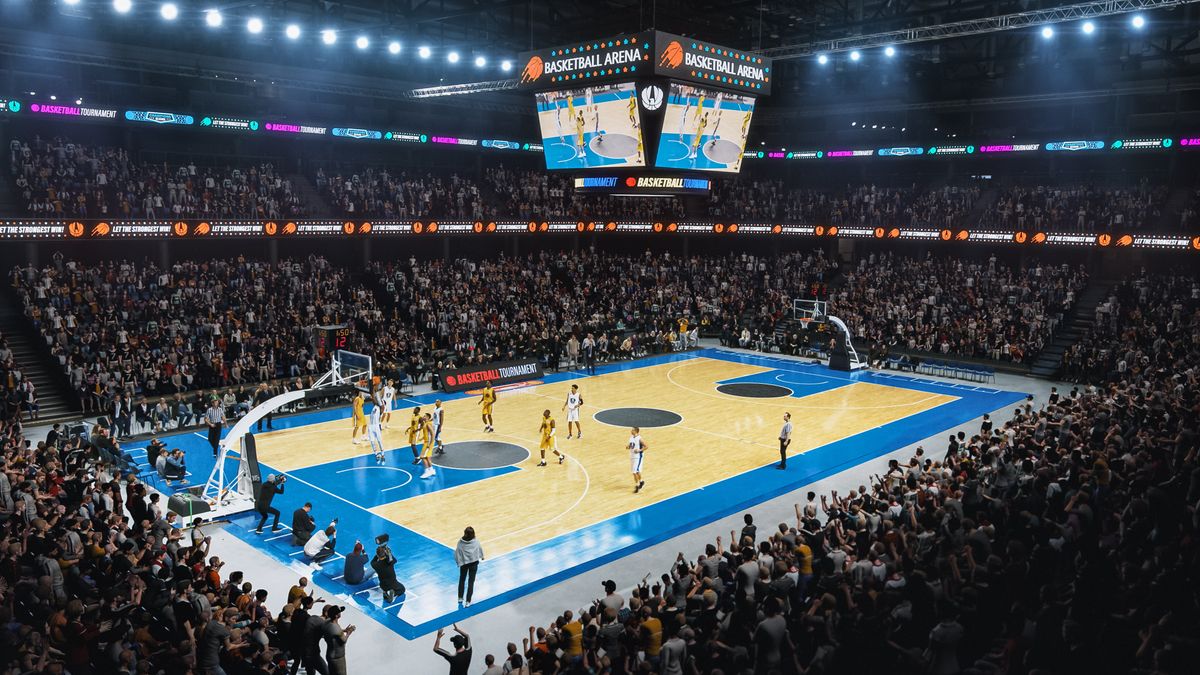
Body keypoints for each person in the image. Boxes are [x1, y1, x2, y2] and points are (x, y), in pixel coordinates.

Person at [371, 534, 406, 603]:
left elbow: (373, 560)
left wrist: (378, 553)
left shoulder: (375, 564)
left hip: (382, 585)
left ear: (377, 555)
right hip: (393, 584)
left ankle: (385, 592)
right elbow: (393, 560)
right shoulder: (390, 562)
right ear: (385, 554)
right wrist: (389, 553)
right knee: (402, 589)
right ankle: (392, 593)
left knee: (385, 585)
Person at [454, 526, 484, 607]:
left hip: (464, 564)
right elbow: (479, 549)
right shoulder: (476, 541)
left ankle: (460, 598)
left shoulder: (460, 542)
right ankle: (468, 601)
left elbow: (457, 553)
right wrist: (482, 556)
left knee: (462, 580)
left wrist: (458, 562)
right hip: (474, 564)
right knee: (471, 582)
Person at [321, 605, 355, 675]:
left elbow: (334, 632)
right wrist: (349, 632)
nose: (340, 613)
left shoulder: (326, 622)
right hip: (337, 658)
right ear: (336, 616)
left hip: (330, 655)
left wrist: (344, 630)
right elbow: (344, 640)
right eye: (339, 612)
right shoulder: (336, 628)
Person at [367, 397, 385, 464]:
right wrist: (372, 396)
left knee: (379, 441)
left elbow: (382, 406)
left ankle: (383, 455)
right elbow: (374, 400)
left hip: (376, 426)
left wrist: (381, 402)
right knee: (372, 441)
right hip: (371, 426)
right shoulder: (375, 406)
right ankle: (376, 454)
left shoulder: (381, 409)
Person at [629, 426, 647, 493]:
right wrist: (628, 446)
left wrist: (639, 450)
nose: (631, 431)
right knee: (637, 471)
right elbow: (631, 445)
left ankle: (637, 486)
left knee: (634, 472)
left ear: (636, 431)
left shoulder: (639, 439)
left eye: (632, 430)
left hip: (638, 457)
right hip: (632, 456)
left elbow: (646, 446)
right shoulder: (631, 437)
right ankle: (641, 482)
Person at [419, 412, 437, 479]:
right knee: (428, 457)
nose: (423, 417)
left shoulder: (428, 424)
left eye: (424, 416)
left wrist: (429, 444)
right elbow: (427, 434)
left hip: (428, 443)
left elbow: (433, 434)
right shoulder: (426, 423)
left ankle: (427, 472)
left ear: (427, 417)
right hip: (427, 442)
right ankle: (431, 470)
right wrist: (422, 438)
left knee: (422, 457)